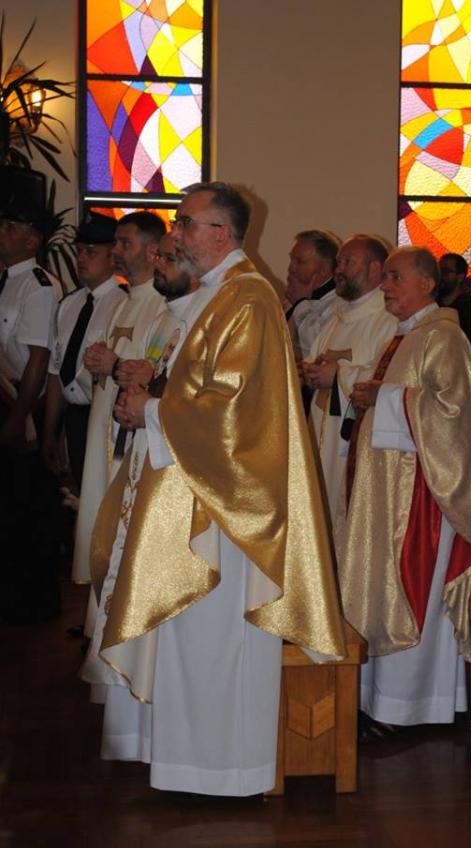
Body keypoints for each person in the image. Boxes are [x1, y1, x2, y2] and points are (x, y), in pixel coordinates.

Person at [81, 181, 346, 796]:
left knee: (210, 638)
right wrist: (153, 393)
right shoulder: (218, 294)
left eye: (185, 223)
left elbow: (236, 412)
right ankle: (177, 756)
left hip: (224, 509)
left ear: (221, 234)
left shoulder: (248, 299)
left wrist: (152, 409)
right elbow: (198, 387)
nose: (175, 234)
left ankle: (220, 771)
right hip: (191, 486)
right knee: (185, 637)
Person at [336, 246, 471, 731]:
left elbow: (453, 414)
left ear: (426, 283)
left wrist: (385, 397)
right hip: (386, 494)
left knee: (410, 594)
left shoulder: (444, 337)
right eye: (385, 278)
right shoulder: (405, 336)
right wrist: (374, 395)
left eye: (395, 277)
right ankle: (377, 702)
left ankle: (411, 707)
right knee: (380, 592)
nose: (385, 286)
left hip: (420, 500)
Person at [72, 211, 176, 587]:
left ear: (151, 251)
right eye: (116, 242)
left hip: (131, 437)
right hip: (103, 424)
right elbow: (104, 371)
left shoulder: (164, 306)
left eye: (124, 243)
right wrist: (95, 365)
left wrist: (114, 365)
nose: (115, 250)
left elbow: (156, 375)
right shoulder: (121, 301)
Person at [302, 234, 397, 518]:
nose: (338, 269)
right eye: (339, 262)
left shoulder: (388, 319)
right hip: (321, 434)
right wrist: (308, 372)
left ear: (374, 269)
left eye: (347, 262)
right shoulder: (339, 316)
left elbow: (388, 378)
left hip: (352, 444)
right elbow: (315, 359)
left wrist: (338, 376)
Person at [0, 200, 63, 623]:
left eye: (10, 226)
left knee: (26, 509)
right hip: (6, 396)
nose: (1, 232)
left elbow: (38, 361)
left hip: (24, 406)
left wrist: (17, 418)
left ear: (32, 240)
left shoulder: (39, 286)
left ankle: (33, 604)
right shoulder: (6, 280)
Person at [42, 212, 124, 492]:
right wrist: (51, 431)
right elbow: (56, 371)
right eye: (78, 251)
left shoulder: (123, 303)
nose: (81, 259)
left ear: (113, 257)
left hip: (105, 417)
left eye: (91, 252)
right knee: (76, 492)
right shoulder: (69, 304)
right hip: (73, 417)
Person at [284, 228, 340, 360]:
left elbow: (318, 348)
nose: (291, 268)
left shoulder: (339, 305)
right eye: (291, 259)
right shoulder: (291, 298)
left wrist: (300, 303)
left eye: (300, 261)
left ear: (324, 268)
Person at [438, 253, 471, 372]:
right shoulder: (432, 306)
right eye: (438, 271)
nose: (440, 276)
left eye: (446, 272)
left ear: (460, 277)